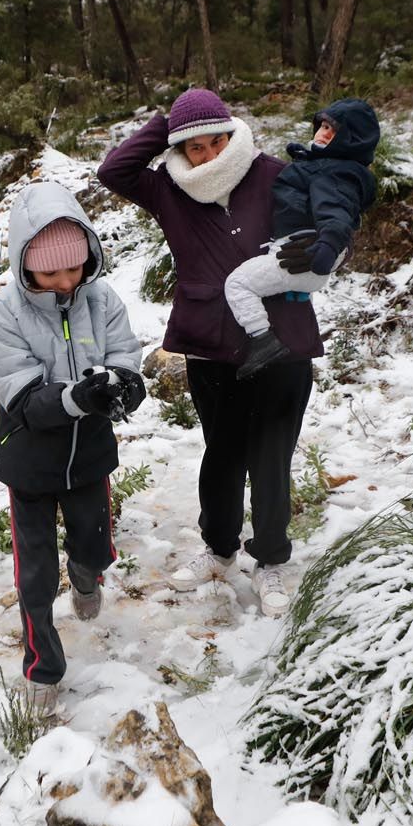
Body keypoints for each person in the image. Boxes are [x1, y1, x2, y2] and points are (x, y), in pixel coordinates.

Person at [96, 87, 320, 618]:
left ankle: (270, 561)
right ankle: (219, 549)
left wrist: (324, 251)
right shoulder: (169, 188)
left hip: (281, 338)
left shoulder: (274, 174)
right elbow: (114, 171)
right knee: (222, 454)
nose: (208, 154)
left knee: (271, 458)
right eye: (194, 147)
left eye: (216, 141)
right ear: (179, 149)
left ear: (232, 133)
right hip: (209, 344)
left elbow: (330, 223)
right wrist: (167, 121)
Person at [0, 180, 147, 719]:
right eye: (49, 273)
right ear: (24, 264)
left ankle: (86, 570)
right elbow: (21, 394)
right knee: (35, 576)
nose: (64, 281)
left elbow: (124, 355)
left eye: (73, 269)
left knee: (95, 546)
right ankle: (43, 668)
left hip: (90, 455)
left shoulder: (101, 299)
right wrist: (78, 396)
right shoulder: (6, 311)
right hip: (30, 459)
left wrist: (126, 385)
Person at [224, 98, 380, 380]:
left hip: (303, 256)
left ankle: (263, 341)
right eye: (322, 125)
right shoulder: (322, 166)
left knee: (237, 284)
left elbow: (336, 213)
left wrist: (330, 247)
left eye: (332, 131)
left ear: (350, 139)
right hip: (296, 254)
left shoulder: (334, 174)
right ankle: (288, 299)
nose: (322, 133)